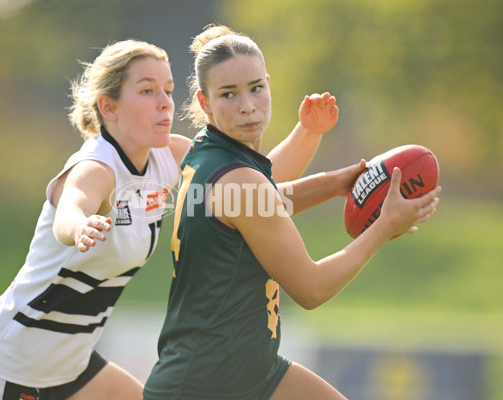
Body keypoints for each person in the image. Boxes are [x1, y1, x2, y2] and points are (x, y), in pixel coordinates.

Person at [0, 37, 349, 400]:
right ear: (108, 107)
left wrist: (313, 143)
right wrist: (80, 225)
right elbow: (70, 210)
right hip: (7, 365)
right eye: (147, 91)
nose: (164, 103)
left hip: (71, 367)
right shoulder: (96, 167)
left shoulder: (167, 155)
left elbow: (253, 195)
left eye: (169, 91)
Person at [143, 25, 441, 400]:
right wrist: (385, 226)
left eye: (255, 88)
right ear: (205, 103)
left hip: (250, 372)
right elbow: (311, 288)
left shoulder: (209, 154)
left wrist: (331, 178)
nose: (248, 105)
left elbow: (264, 201)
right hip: (206, 386)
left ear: (269, 83)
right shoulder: (238, 179)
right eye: (229, 95)